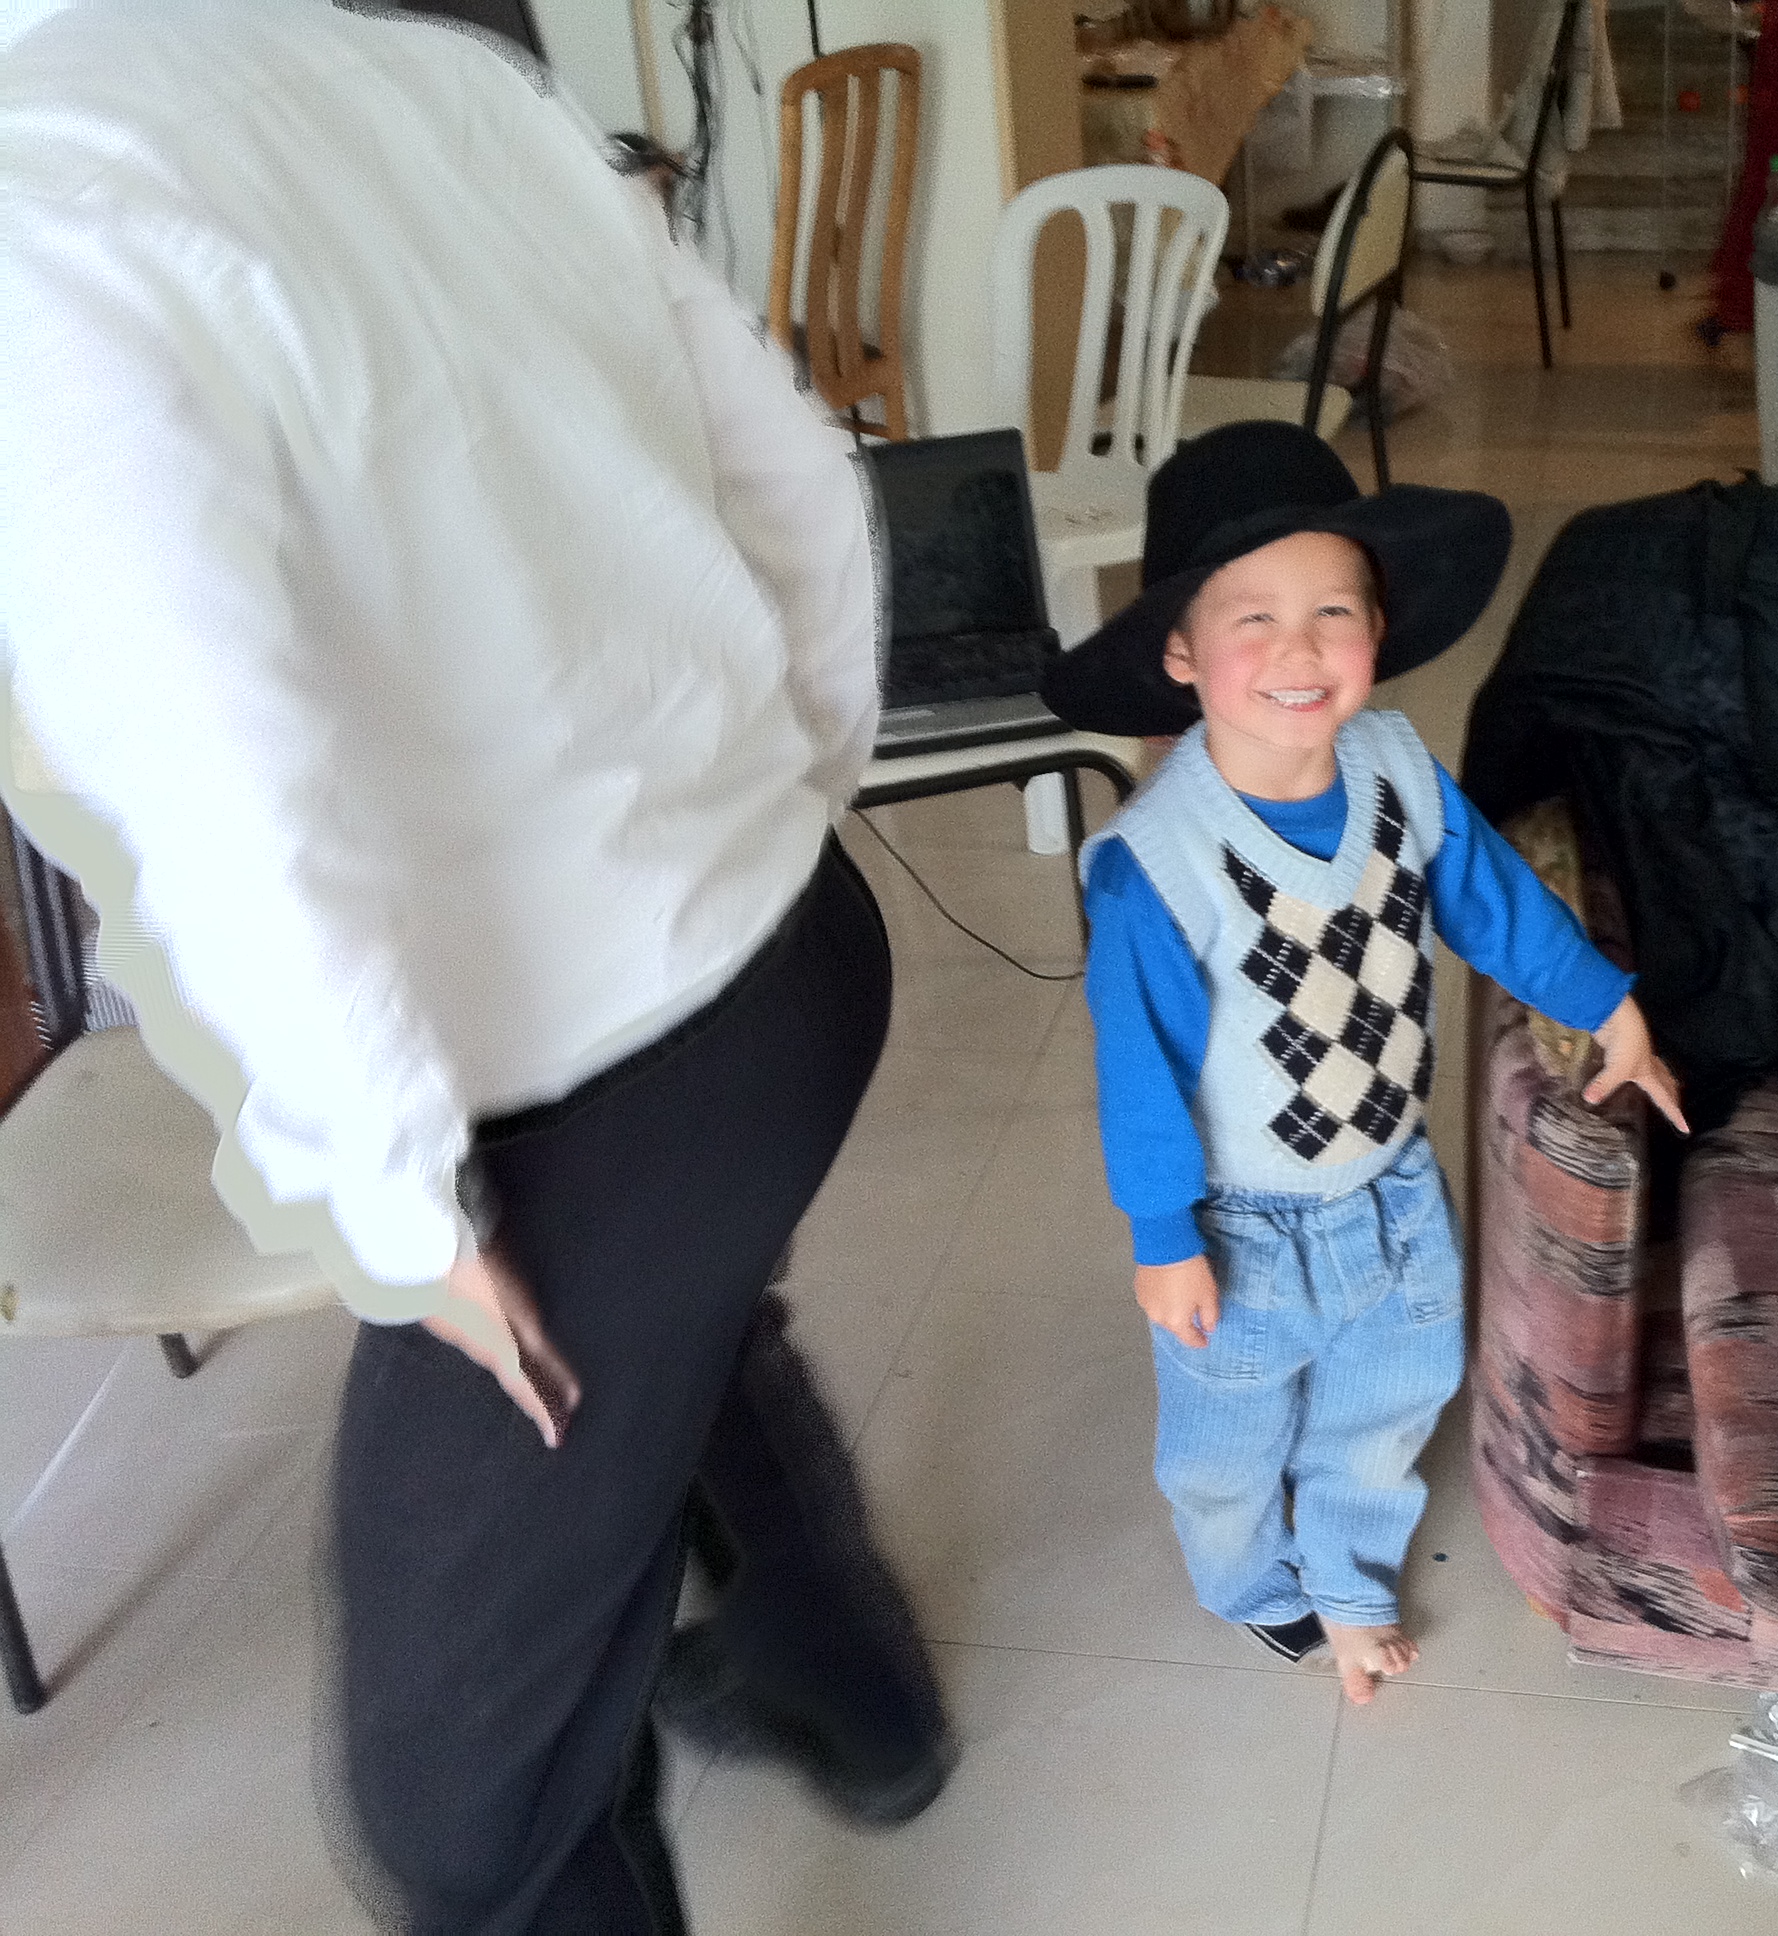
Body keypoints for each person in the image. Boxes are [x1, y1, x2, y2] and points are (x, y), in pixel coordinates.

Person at [0, 1, 947, 1928]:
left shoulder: (32, 218)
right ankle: (855, 1701)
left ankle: (836, 1699)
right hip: (792, 953)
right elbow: (783, 463)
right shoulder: (420, 68)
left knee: (463, 1809)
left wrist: (395, 1209)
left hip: (586, 1093)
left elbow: (226, 777)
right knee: (692, 1340)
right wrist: (782, 793)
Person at [1042, 422, 1688, 1705]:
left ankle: (1345, 1576)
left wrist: (1610, 1009)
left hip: (1392, 1188)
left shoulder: (1399, 771)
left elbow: (1495, 905)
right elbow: (1141, 1069)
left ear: (1378, 632)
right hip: (1241, 1225)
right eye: (1255, 618)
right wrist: (1163, 1236)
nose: (1299, 650)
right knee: (1225, 1448)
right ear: (1181, 654)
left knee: (1390, 1401)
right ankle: (1249, 1581)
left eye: (1333, 611)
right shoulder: (1156, 865)